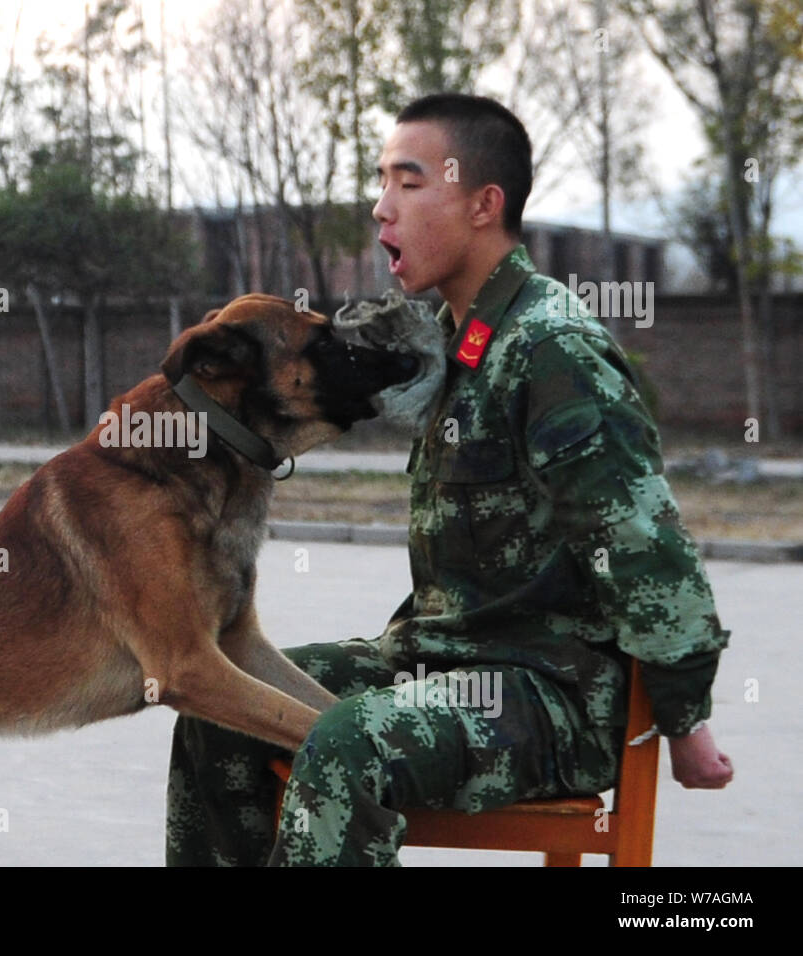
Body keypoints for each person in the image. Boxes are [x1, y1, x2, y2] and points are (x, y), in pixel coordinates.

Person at [165, 92, 734, 867]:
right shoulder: (452, 344)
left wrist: (684, 720)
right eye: (382, 182)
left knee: (346, 745)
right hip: (439, 659)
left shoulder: (550, 347)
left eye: (408, 182)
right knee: (221, 711)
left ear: (482, 204)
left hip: (546, 693)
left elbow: (640, 544)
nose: (380, 208)